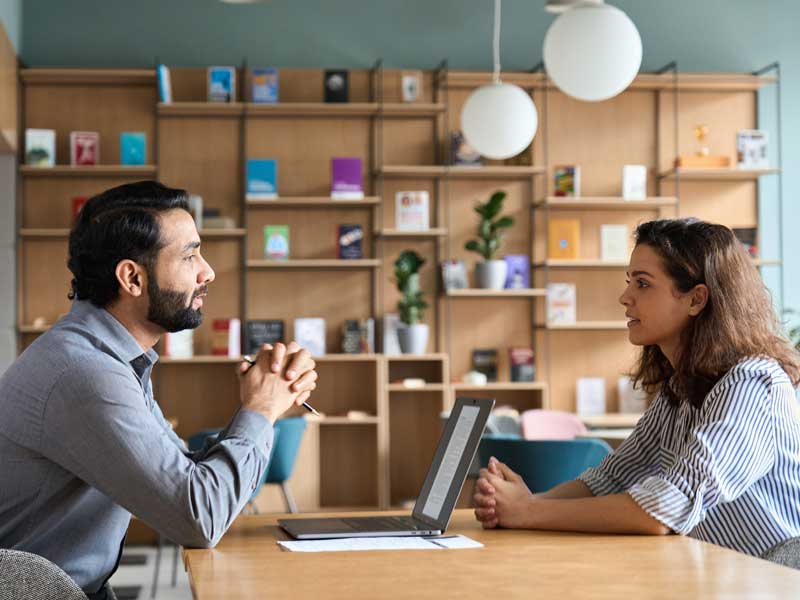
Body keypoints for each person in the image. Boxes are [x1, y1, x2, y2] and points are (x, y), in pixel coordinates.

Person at [0, 181, 318, 599]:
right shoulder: (86, 374)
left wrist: (262, 402)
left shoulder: (108, 357)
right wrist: (259, 409)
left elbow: (183, 474)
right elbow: (198, 517)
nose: (208, 272)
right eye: (189, 256)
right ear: (132, 277)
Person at [474, 218, 800, 557]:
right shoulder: (681, 388)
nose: (625, 297)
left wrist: (526, 512)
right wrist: (523, 503)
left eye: (643, 284)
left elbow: (665, 508)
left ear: (696, 300)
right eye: (630, 282)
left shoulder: (753, 384)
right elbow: (610, 480)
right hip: (721, 579)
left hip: (774, 582)